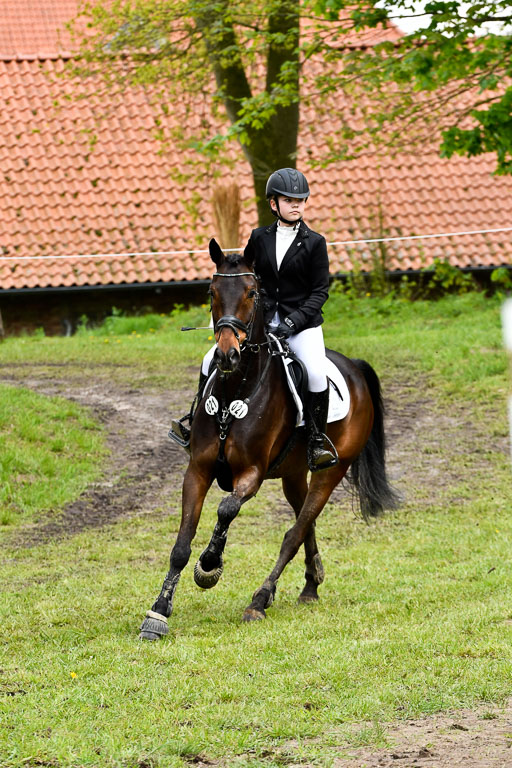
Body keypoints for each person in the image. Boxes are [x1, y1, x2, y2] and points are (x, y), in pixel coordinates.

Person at [170, 167, 337, 472]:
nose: (297, 205)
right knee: (210, 361)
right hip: (259, 323)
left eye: (301, 200)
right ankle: (194, 422)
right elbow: (249, 280)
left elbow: (319, 292)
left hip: (303, 325)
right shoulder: (259, 238)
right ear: (274, 204)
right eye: (289, 200)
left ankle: (316, 442)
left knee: (314, 373)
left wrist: (293, 322)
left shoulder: (315, 242)